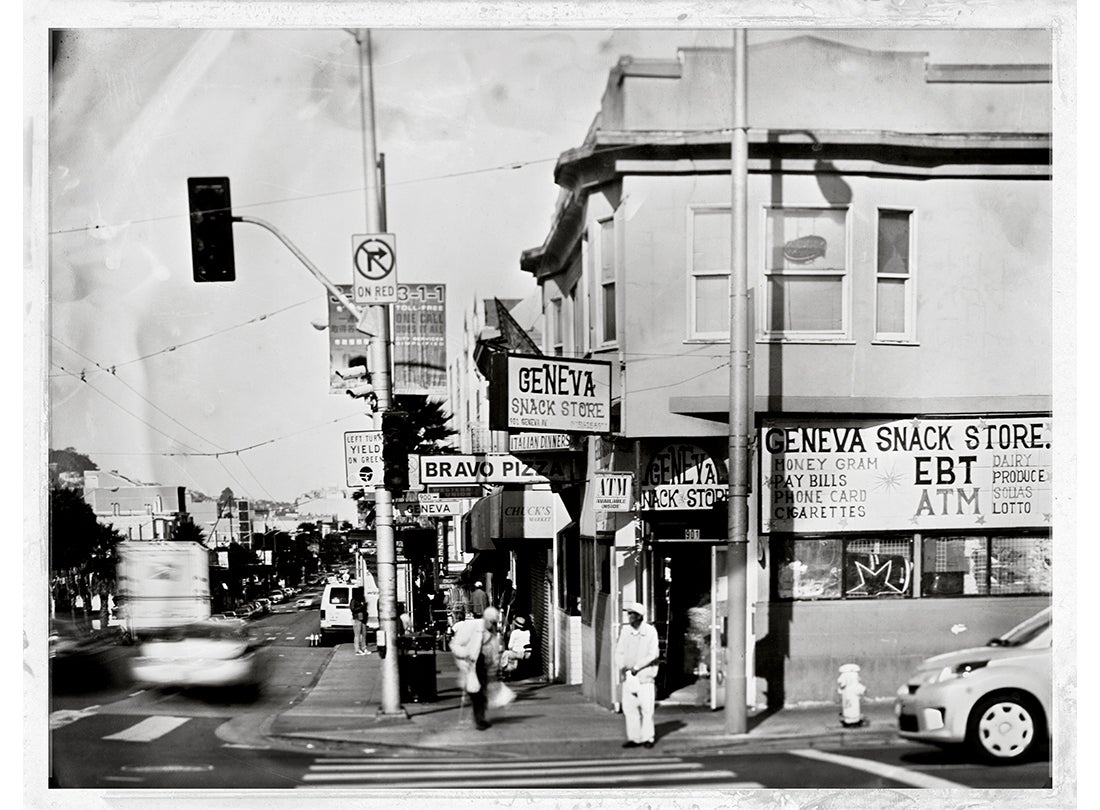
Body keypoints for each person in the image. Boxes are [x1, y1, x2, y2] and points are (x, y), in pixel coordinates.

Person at [615, 601, 660, 749]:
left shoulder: (650, 631)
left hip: (645, 677)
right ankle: (634, 737)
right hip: (629, 676)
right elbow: (619, 651)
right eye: (629, 614)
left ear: (640, 616)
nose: (629, 616)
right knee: (629, 708)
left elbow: (653, 654)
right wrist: (622, 667)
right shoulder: (625, 631)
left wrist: (637, 667)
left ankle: (648, 737)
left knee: (647, 709)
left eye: (632, 614)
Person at [449, 605, 502, 730]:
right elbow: (455, 645)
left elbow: (494, 650)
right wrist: (466, 654)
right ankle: (479, 719)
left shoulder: (492, 632)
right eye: (491, 622)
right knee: (476, 693)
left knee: (483, 693)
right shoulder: (472, 626)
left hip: (484, 665)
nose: (492, 625)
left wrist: (496, 665)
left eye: (494, 622)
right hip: (472, 664)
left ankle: (480, 717)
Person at [350, 590, 368, 655]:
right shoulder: (354, 600)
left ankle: (364, 648)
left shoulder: (362, 599)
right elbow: (353, 609)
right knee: (357, 634)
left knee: (364, 633)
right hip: (357, 618)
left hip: (363, 618)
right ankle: (357, 649)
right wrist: (361, 607)